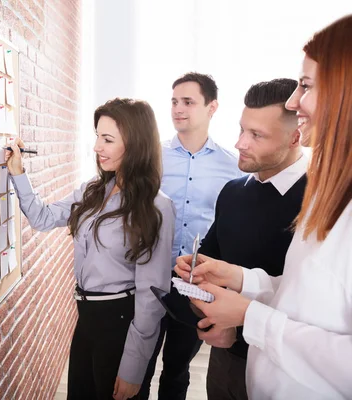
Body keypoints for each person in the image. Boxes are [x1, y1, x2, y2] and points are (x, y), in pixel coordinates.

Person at [175, 15, 352, 400]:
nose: (295, 101)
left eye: (305, 86)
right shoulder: (328, 195)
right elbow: (301, 296)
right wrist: (234, 277)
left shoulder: (318, 194)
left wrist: (247, 316)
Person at [5, 98, 175, 400]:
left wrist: (134, 367)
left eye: (108, 139)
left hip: (121, 321)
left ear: (135, 144)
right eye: (98, 136)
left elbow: (152, 295)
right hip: (86, 317)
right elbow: (43, 218)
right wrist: (18, 173)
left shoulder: (156, 207)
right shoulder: (93, 191)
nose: (97, 147)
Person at [195, 78, 307, 400]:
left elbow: (312, 300)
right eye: (242, 129)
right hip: (223, 360)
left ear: (295, 137)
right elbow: (210, 263)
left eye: (256, 135)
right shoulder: (231, 193)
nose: (240, 143)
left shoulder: (323, 202)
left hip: (286, 368)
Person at [140, 72, 241, 400]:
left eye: (188, 102)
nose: (177, 109)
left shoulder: (234, 167)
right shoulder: (152, 158)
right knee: (138, 365)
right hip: (150, 279)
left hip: (196, 283)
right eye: (173, 102)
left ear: (212, 108)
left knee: (177, 370)